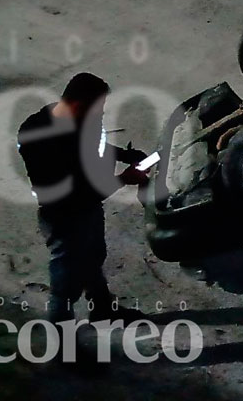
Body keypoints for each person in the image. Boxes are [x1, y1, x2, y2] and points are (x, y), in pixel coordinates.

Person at [17, 72, 149, 323]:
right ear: (78, 105)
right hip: (64, 217)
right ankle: (64, 348)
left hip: (86, 209)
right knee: (65, 284)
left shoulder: (65, 117)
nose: (100, 115)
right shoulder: (44, 141)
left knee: (92, 260)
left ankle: (102, 309)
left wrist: (124, 155)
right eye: (98, 109)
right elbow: (82, 192)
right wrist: (125, 178)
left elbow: (93, 148)